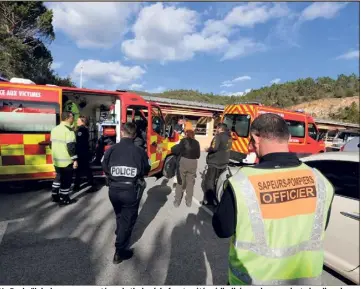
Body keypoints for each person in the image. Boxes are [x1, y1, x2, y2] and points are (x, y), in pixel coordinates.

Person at [212, 113, 335, 285]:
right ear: (289, 137)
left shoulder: (242, 183)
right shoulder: (320, 181)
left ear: (256, 138)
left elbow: (222, 229)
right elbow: (320, 226)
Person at [101, 122, 151, 264]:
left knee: (119, 214)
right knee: (128, 219)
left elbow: (104, 165)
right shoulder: (140, 151)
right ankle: (119, 251)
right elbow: (146, 169)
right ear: (134, 135)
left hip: (114, 190)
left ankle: (119, 233)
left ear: (122, 133)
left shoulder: (111, 149)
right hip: (130, 191)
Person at [50, 111, 78, 206]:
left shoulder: (54, 129)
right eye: (72, 117)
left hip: (56, 160)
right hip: (66, 161)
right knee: (66, 181)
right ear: (67, 118)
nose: (73, 119)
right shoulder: (68, 131)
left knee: (58, 177)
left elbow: (51, 144)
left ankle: (55, 195)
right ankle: (64, 199)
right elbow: (71, 147)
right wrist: (74, 160)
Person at [202, 122, 232, 207]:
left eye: (217, 128)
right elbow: (228, 148)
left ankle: (209, 200)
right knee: (218, 181)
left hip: (214, 162)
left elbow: (214, 148)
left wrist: (208, 149)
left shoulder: (218, 136)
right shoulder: (229, 137)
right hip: (224, 162)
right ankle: (218, 198)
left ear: (220, 129)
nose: (216, 130)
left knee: (209, 181)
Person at [171, 129, 201, 207]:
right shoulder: (197, 143)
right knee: (190, 183)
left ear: (186, 134)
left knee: (180, 181)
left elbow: (176, 150)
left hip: (184, 161)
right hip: (193, 162)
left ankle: (177, 202)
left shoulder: (183, 141)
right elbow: (198, 155)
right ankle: (189, 202)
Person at [74, 115, 94, 191]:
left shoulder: (81, 130)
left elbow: (80, 142)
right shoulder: (84, 129)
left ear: (82, 121)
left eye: (78, 120)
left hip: (81, 152)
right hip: (84, 152)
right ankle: (90, 182)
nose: (77, 121)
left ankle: (77, 185)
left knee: (79, 170)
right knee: (86, 168)